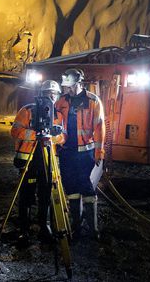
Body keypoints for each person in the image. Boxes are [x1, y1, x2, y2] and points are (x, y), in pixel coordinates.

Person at [55, 68, 105, 239]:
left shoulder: (92, 100)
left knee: (87, 189)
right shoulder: (61, 101)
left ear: (78, 83)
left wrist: (99, 151)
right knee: (72, 190)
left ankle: (93, 230)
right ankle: (76, 227)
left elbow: (99, 127)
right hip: (67, 153)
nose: (66, 89)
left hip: (86, 154)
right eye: (66, 86)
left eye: (69, 86)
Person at [10, 79, 62, 244]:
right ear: (41, 94)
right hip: (29, 161)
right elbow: (15, 131)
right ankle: (23, 230)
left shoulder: (58, 115)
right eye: (48, 93)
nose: (51, 97)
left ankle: (44, 227)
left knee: (46, 195)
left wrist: (53, 135)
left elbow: (62, 137)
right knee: (26, 195)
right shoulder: (27, 111)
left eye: (54, 94)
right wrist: (36, 135)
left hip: (47, 161)